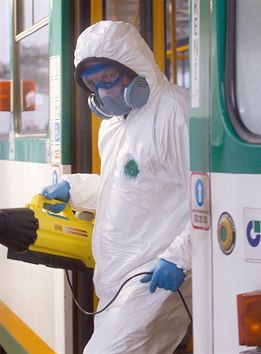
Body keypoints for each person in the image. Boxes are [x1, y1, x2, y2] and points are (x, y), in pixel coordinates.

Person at [41, 20, 192, 353]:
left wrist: (179, 258)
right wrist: (74, 188)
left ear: (133, 67)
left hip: (154, 274)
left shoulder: (174, 113)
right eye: (93, 84)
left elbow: (208, 198)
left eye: (109, 78)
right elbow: (128, 188)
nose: (103, 92)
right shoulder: (113, 127)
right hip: (116, 278)